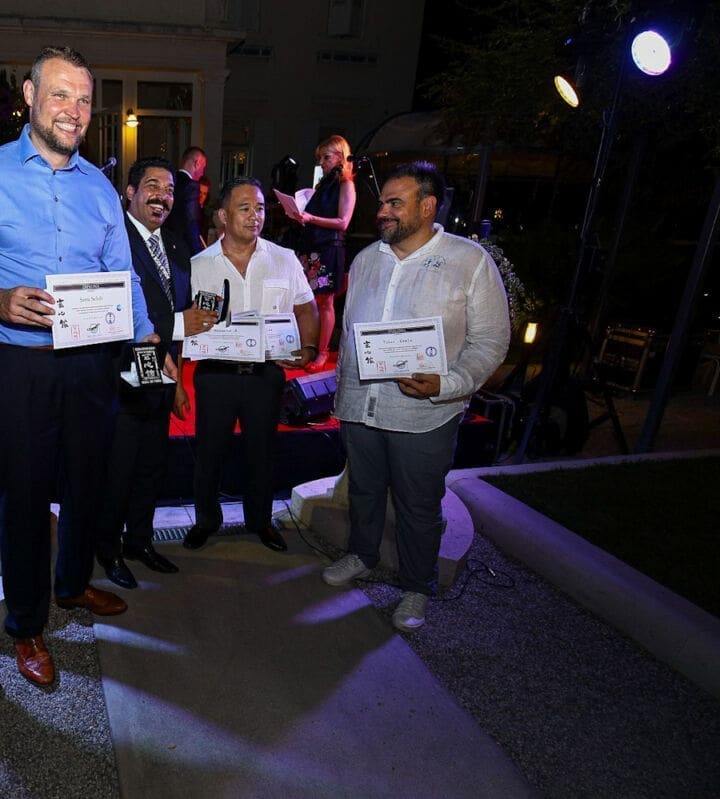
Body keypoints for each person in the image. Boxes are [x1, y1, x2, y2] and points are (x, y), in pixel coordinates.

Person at [0, 46, 165, 687]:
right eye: (60, 94)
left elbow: (123, 276)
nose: (73, 110)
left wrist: (146, 338)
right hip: (22, 369)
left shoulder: (99, 187)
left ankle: (72, 585)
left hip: (93, 364)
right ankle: (27, 623)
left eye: (84, 99)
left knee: (90, 483)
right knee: (26, 500)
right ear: (30, 97)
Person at [322, 161, 510, 632]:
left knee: (419, 505)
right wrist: (342, 397)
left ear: (427, 207)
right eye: (382, 202)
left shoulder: (468, 261)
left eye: (394, 203)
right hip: (361, 408)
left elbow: (491, 340)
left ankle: (416, 587)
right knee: (363, 490)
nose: (381, 211)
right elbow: (349, 334)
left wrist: (448, 384)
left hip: (424, 413)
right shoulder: (366, 260)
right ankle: (362, 554)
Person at [96, 157, 219, 590]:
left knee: (151, 464)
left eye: (169, 190)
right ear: (129, 192)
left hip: (162, 372)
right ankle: (108, 549)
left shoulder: (176, 245)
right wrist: (181, 324)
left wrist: (179, 381)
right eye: (152, 186)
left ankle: (140, 542)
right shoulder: (114, 242)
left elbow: (182, 311)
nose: (162, 197)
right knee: (119, 468)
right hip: (122, 370)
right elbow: (120, 310)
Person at [183, 177, 320, 552]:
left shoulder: (283, 258)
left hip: (265, 375)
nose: (254, 215)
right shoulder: (198, 265)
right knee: (209, 454)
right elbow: (185, 320)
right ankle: (206, 520)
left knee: (262, 453)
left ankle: (260, 521)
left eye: (259, 208)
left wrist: (309, 347)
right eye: (244, 208)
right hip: (216, 376)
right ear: (222, 216)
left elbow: (306, 306)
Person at [295, 135, 356, 364]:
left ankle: (323, 351)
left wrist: (311, 218)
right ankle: (308, 345)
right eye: (320, 158)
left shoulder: (346, 184)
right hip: (311, 246)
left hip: (329, 248)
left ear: (340, 156)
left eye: (326, 157)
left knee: (325, 302)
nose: (321, 162)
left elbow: (343, 222)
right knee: (306, 299)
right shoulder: (324, 185)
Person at [163, 146, 208, 254]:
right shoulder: (191, 186)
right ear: (197, 163)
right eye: (203, 168)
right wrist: (199, 253)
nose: (202, 173)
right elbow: (191, 223)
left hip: (165, 243)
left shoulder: (170, 181)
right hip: (182, 249)